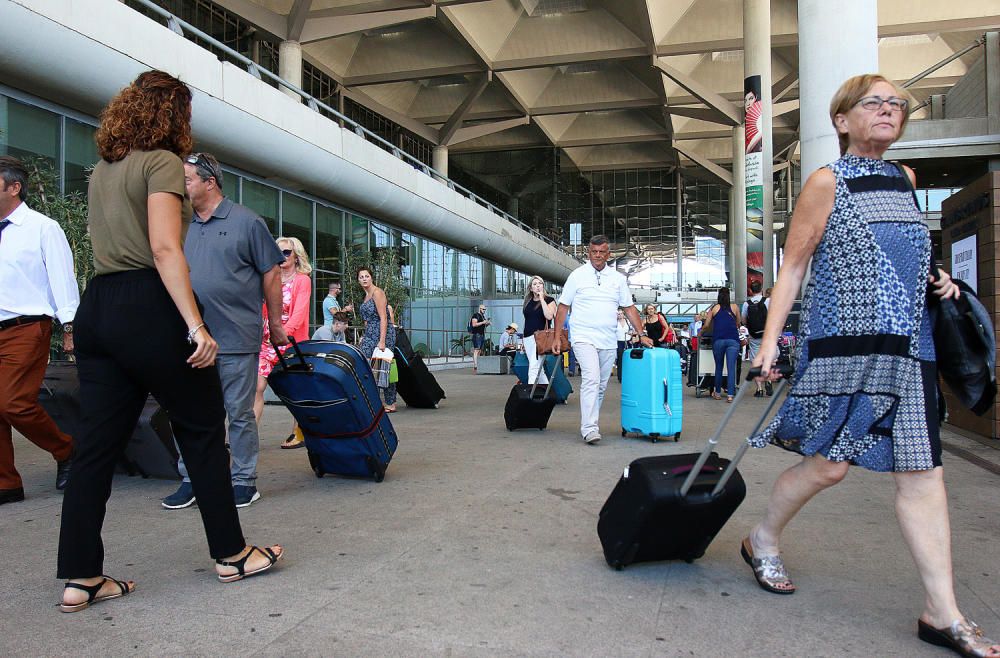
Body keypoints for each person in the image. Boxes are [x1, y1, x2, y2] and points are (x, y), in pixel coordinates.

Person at [744, 74, 998, 658]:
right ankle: (763, 538)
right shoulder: (825, 183)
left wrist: (938, 280)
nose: (889, 111)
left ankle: (942, 612)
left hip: (908, 349)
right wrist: (769, 343)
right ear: (842, 120)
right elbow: (793, 270)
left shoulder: (906, 179)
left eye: (897, 104)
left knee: (923, 474)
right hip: (844, 348)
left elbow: (904, 252)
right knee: (828, 468)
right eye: (873, 103)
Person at [57, 71, 283, 613]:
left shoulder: (104, 171)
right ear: (174, 113)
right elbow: (163, 249)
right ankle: (232, 554)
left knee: (94, 449)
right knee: (203, 432)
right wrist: (196, 325)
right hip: (150, 306)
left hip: (100, 307)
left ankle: (80, 576)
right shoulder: (160, 162)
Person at [161, 152, 287, 510]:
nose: (181, 188)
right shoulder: (181, 226)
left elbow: (271, 272)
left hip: (234, 336)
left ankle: (244, 480)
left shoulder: (247, 222)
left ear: (209, 182)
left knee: (239, 412)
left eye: (186, 180)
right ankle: (192, 477)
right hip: (189, 338)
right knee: (188, 412)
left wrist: (275, 323)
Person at [0, 156, 78, 505]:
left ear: (13, 188)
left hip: (26, 326)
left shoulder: (42, 227)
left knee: (13, 402)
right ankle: (6, 484)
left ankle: (66, 450)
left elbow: (62, 278)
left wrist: (70, 325)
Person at [551, 235, 651, 444]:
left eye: (601, 252)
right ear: (588, 253)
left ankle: (590, 422)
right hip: (583, 336)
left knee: (602, 385)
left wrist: (641, 334)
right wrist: (557, 336)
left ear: (608, 254)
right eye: (593, 252)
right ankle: (589, 428)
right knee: (591, 379)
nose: (597, 256)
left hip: (608, 339)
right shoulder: (577, 276)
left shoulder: (617, 279)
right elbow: (563, 307)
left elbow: (629, 308)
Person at [254, 236, 312, 452]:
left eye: (286, 252)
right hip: (267, 341)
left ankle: (299, 431)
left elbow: (299, 314)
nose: (282, 256)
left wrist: (282, 335)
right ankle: (248, 436)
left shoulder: (302, 280)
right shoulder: (271, 278)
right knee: (256, 387)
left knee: (295, 391)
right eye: (278, 252)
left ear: (296, 256)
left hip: (290, 342)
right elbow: (263, 311)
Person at [357, 266, 397, 413]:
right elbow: (367, 319)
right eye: (361, 277)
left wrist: (382, 341)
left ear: (371, 277)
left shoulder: (377, 292)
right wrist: (364, 335)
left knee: (384, 367)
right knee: (362, 361)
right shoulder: (366, 295)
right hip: (370, 333)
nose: (364, 279)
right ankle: (370, 399)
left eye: (366, 276)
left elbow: (383, 317)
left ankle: (390, 402)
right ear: (358, 280)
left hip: (383, 333)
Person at [700, 287, 741, 402]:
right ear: (729, 296)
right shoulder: (735, 307)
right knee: (731, 368)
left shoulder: (714, 308)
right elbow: (738, 322)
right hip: (733, 340)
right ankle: (730, 395)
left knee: (718, 367)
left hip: (718, 340)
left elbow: (707, 325)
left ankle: (717, 393)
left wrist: (700, 333)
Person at [522, 275, 556, 384]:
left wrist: (541, 299)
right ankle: (548, 395)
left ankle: (530, 396)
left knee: (533, 368)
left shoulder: (549, 300)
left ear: (543, 286)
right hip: (528, 338)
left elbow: (549, 316)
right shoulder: (528, 301)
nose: (537, 286)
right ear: (531, 288)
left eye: (540, 283)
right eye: (535, 284)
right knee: (538, 371)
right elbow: (527, 320)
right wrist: (523, 340)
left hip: (540, 337)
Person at [741, 279, 771, 397]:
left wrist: (749, 327)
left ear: (750, 291)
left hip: (754, 336)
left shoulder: (746, 304)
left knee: (755, 362)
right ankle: (768, 380)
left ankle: (759, 389)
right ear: (761, 290)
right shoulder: (768, 301)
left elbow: (743, 320)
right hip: (767, 335)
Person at [469, 304, 489, 371]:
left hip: (481, 334)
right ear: (479, 309)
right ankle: (475, 365)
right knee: (476, 349)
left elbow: (483, 325)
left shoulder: (482, 316)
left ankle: (478, 364)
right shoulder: (476, 315)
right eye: (483, 309)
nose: (484, 311)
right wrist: (483, 322)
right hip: (477, 334)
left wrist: (486, 323)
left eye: (485, 309)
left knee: (479, 350)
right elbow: (474, 324)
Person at [615, 309, 630, 382]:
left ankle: (628, 375)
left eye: (621, 313)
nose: (620, 315)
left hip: (627, 341)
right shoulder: (615, 323)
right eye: (618, 314)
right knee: (620, 359)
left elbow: (632, 330)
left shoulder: (628, 322)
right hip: (618, 342)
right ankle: (620, 376)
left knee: (628, 359)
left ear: (624, 314)